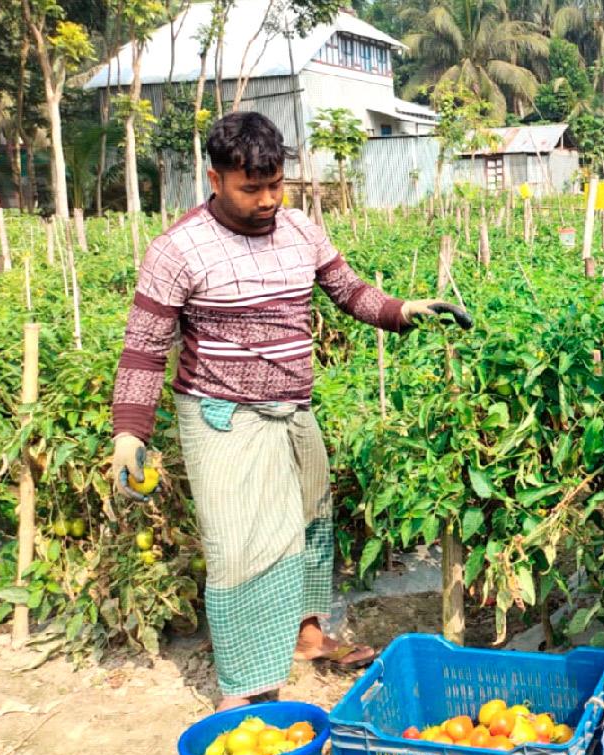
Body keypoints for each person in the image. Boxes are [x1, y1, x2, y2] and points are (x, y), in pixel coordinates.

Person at [108, 111, 470, 711]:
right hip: (221, 416)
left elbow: (350, 292)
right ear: (215, 178)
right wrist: (129, 434)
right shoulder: (178, 250)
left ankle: (304, 637)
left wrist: (405, 309)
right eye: (252, 188)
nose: (269, 199)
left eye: (277, 184)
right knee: (240, 547)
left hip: (293, 411)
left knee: (305, 527)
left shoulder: (300, 230)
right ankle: (248, 688)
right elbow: (144, 349)